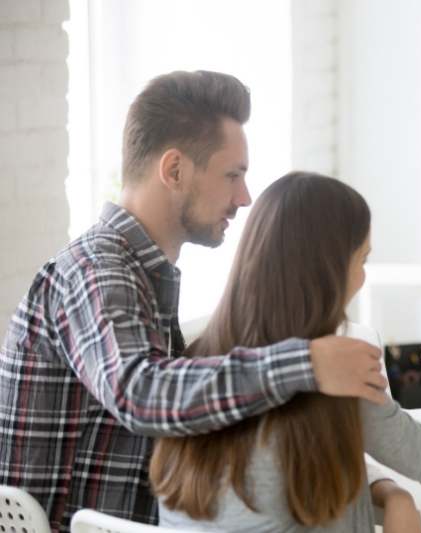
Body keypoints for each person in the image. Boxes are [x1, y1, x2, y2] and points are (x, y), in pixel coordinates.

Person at [0, 71, 388, 531]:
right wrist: (306, 363)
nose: (245, 197)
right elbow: (140, 392)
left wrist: (383, 487)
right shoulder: (96, 271)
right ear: (175, 170)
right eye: (233, 175)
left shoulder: (141, 275)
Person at [150, 172, 421, 532]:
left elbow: (282, 483)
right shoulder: (338, 370)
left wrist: (387, 490)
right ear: (329, 271)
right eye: (362, 259)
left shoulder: (193, 364)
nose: (364, 275)